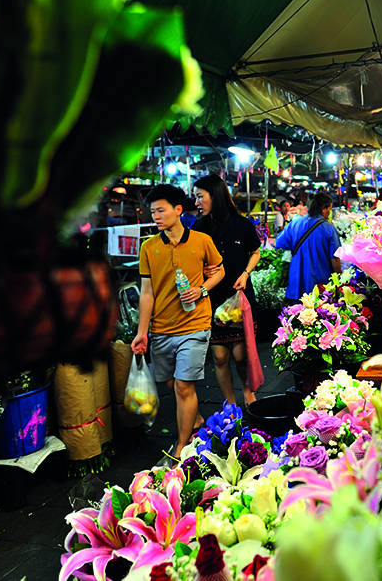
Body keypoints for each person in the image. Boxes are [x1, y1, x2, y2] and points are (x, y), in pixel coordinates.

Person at [132, 184, 225, 459]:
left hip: (195, 323)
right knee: (171, 384)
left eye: (161, 210)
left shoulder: (201, 240)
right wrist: (142, 332)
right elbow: (147, 292)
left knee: (184, 385)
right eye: (153, 212)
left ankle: (182, 445)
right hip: (162, 328)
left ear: (178, 210)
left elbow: (219, 271)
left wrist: (202, 289)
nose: (156, 216)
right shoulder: (148, 248)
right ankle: (194, 418)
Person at [193, 174, 262, 406]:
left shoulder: (242, 224)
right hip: (211, 299)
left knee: (241, 354)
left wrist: (245, 274)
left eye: (200, 197)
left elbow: (255, 252)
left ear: (215, 196)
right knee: (220, 356)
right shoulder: (199, 228)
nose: (197, 203)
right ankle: (229, 405)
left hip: (239, 296)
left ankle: (248, 393)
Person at [276, 191, 341, 305]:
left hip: (296, 283)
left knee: (295, 318)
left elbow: (280, 243)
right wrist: (339, 278)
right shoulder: (329, 228)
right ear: (322, 208)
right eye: (329, 209)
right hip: (320, 285)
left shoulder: (294, 223)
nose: (329, 213)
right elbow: (335, 258)